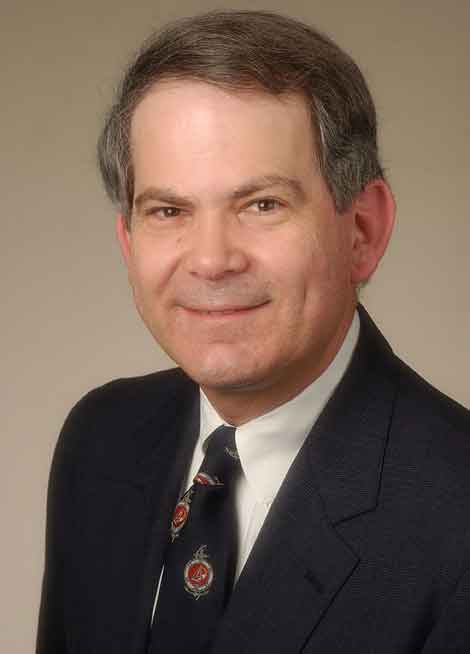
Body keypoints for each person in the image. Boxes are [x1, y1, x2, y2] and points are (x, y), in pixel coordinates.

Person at [37, 9, 470, 654]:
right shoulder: (100, 441)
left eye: (262, 204)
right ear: (128, 242)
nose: (211, 260)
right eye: (168, 210)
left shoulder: (457, 516)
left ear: (363, 231)